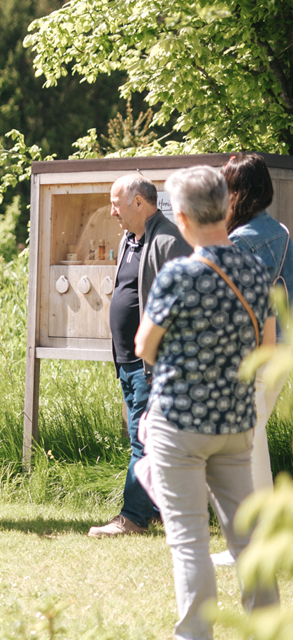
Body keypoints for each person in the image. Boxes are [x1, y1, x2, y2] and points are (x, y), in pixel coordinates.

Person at [135, 165, 279, 640]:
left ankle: (194, 635)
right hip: (236, 424)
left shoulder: (180, 273)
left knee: (189, 540)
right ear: (224, 205)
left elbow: (145, 345)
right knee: (248, 539)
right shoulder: (257, 273)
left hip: (180, 424)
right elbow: (268, 350)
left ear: (180, 216)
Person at [88, 174, 192, 538]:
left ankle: (132, 516)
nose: (112, 210)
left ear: (138, 202)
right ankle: (165, 511)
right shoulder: (130, 239)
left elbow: (183, 304)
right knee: (151, 438)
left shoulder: (167, 240)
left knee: (142, 438)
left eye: (117, 203)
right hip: (128, 363)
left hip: (153, 364)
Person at [208, 153, 293, 566]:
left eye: (227, 187)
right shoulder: (281, 231)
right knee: (251, 442)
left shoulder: (241, 241)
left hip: (252, 353)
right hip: (280, 352)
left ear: (240, 192)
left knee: (248, 447)